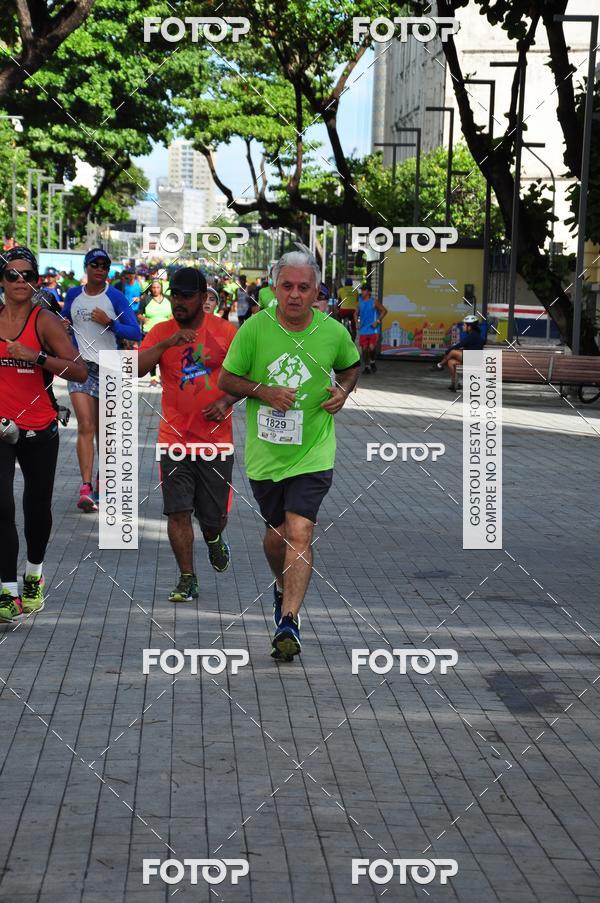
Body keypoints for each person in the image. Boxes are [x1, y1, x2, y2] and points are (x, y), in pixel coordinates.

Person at [219, 248, 360, 661]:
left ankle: (289, 620)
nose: (295, 295)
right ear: (274, 288)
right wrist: (264, 392)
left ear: (317, 290)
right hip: (266, 456)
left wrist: (344, 391)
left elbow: (352, 366)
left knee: (300, 532)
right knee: (276, 536)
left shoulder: (333, 332)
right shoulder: (254, 329)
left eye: (304, 287)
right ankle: (282, 587)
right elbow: (227, 377)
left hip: (314, 452)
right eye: (287, 287)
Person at [138, 267, 238, 604]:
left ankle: (213, 538)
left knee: (213, 519)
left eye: (186, 296)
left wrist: (225, 401)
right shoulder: (161, 331)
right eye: (174, 295)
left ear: (203, 297)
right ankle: (187, 577)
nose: (178, 301)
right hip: (174, 440)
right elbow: (135, 368)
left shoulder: (226, 332)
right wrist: (168, 342)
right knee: (177, 511)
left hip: (215, 442)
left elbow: (247, 376)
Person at [0, 247, 87, 623]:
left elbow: (80, 371)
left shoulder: (45, 321)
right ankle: (7, 591)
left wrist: (34, 357)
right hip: (1, 426)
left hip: (39, 427)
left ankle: (33, 572)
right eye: (12, 275)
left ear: (36, 280)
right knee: (1, 506)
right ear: (1, 280)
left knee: (37, 507)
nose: (21, 281)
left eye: (27, 275)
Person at [63, 248, 142, 511]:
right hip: (81, 367)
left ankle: (103, 479)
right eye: (95, 264)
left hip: (109, 366)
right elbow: (65, 321)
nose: (100, 269)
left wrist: (110, 323)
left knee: (104, 431)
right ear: (86, 267)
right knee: (85, 424)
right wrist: (63, 328)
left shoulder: (116, 297)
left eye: (105, 265)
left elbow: (135, 332)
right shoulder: (74, 294)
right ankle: (86, 486)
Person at [434, 314, 486, 391]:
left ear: (469, 327)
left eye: (464, 325)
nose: (463, 327)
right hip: (471, 358)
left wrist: (448, 351)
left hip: (474, 359)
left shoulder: (473, 335)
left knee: (452, 352)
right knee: (450, 362)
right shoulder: (474, 335)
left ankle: (440, 365)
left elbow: (459, 345)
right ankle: (454, 384)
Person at [138, 278, 172, 386]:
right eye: (153, 287)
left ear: (161, 288)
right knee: (152, 355)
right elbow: (138, 314)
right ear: (150, 288)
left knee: (166, 355)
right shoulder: (146, 299)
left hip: (166, 331)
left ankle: (164, 376)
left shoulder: (168, 299)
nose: (156, 289)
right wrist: (144, 319)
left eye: (158, 287)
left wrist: (172, 318)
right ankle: (153, 378)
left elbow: (174, 312)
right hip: (150, 331)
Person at [358, 284, 387, 374]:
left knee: (371, 348)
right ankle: (367, 367)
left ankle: (372, 361)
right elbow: (356, 313)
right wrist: (356, 322)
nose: (362, 292)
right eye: (362, 290)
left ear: (369, 292)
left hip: (373, 329)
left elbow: (384, 311)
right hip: (363, 329)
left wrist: (377, 321)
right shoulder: (359, 302)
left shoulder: (374, 302)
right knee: (364, 349)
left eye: (364, 290)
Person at [336, 276, 358, 341]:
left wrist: (337, 309)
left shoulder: (341, 290)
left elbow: (339, 301)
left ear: (345, 284)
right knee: (353, 324)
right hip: (353, 311)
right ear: (351, 284)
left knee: (338, 316)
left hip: (344, 310)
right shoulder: (355, 290)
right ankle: (353, 338)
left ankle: (339, 329)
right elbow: (357, 301)